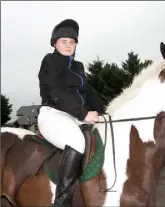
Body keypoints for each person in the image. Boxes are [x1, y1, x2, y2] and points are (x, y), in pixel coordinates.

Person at [37, 19, 107, 206]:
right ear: (55, 43)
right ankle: (62, 201)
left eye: (72, 42)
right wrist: (83, 114)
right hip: (53, 114)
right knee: (77, 142)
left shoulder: (78, 67)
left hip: (74, 116)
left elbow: (90, 93)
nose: (69, 45)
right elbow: (56, 92)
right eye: (64, 41)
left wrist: (107, 110)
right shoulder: (50, 61)